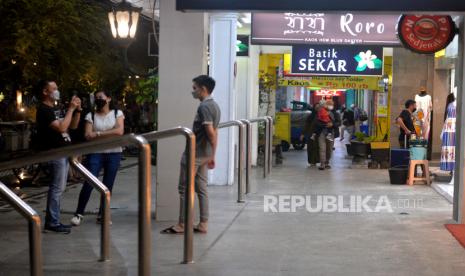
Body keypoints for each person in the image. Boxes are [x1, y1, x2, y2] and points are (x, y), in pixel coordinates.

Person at [161, 75, 221, 234]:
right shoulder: (215, 106)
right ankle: (203, 223)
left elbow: (210, 132)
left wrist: (209, 152)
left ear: (203, 89)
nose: (192, 91)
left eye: (195, 88)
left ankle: (182, 223)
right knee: (201, 188)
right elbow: (216, 132)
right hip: (204, 154)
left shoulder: (204, 107)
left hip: (194, 154)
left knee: (184, 188)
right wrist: (212, 155)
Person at [70, 91, 125, 226]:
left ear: (109, 99)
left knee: (108, 185)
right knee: (89, 182)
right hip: (96, 153)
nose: (99, 100)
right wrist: (109, 134)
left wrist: (98, 133)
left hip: (114, 153)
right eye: (97, 98)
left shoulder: (117, 113)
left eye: (101, 97)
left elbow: (119, 132)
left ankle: (103, 214)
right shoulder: (91, 115)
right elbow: (88, 135)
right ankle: (79, 213)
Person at [35, 80, 82, 233]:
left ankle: (54, 220)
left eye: (57, 87)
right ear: (45, 91)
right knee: (56, 188)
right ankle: (52, 222)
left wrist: (77, 111)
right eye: (54, 88)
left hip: (64, 151)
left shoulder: (56, 108)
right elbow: (61, 127)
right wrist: (70, 108)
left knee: (60, 188)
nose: (57, 91)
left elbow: (72, 126)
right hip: (55, 152)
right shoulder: (44, 110)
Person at [318, 100, 337, 170]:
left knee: (329, 149)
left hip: (331, 133)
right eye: (329, 104)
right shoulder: (320, 112)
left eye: (331, 105)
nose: (330, 106)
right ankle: (322, 164)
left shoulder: (335, 113)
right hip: (322, 133)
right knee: (322, 148)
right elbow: (317, 122)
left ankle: (327, 162)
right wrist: (324, 124)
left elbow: (338, 123)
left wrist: (332, 124)